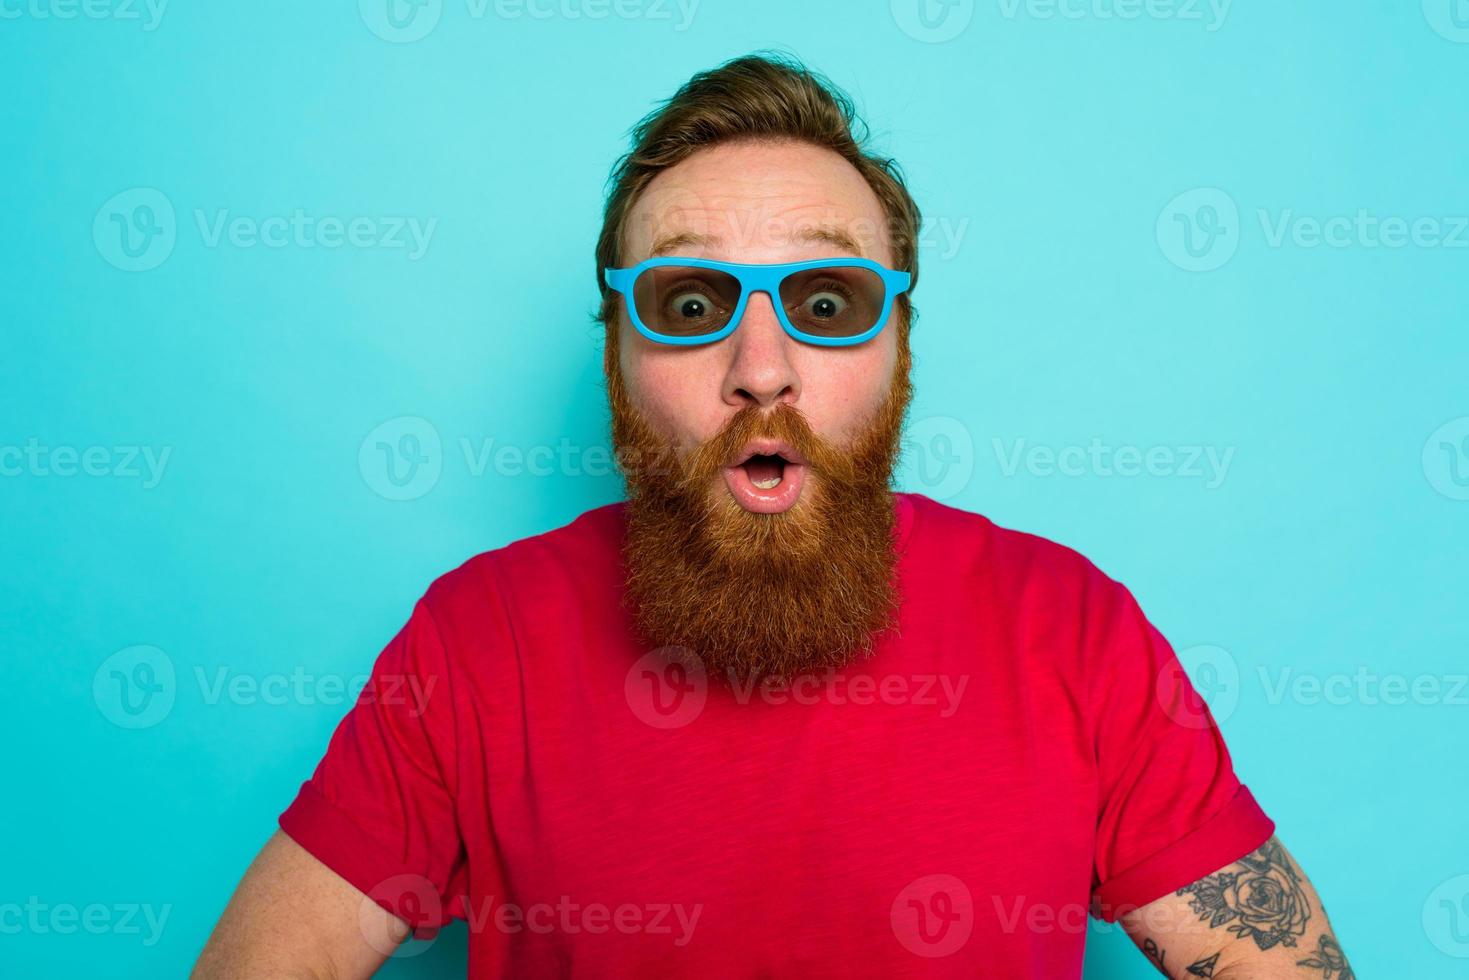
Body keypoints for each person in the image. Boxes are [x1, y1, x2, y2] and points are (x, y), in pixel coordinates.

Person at [194, 53, 1353, 979]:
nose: (761, 365)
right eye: (689, 301)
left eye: (825, 300)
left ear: (898, 345)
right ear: (614, 348)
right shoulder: (476, 638)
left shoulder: (1069, 629)